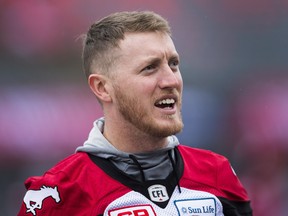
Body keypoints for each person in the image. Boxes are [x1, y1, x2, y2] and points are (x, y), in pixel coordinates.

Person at [18, 11, 252, 216]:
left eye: (173, 64)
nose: (171, 80)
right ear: (102, 88)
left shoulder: (217, 172)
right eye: (149, 68)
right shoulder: (57, 192)